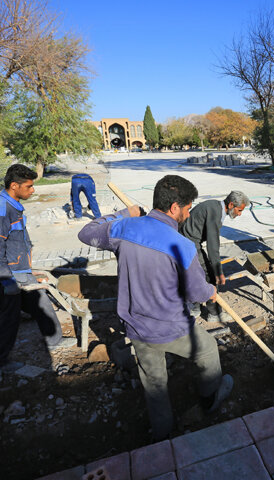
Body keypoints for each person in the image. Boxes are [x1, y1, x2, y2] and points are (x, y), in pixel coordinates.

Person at [78, 175, 233, 441]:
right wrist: (211, 292)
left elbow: (86, 232)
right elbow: (196, 292)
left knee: (154, 382)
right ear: (175, 208)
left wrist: (124, 213)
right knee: (207, 351)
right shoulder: (181, 245)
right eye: (188, 208)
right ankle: (210, 400)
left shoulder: (125, 228)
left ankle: (162, 433)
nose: (188, 213)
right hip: (172, 328)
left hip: (137, 327)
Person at [0, 164, 75, 370]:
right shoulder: (1, 210)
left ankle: (54, 341)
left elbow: (13, 243)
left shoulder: (11, 205)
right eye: (29, 187)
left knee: (42, 303)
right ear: (14, 186)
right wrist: (7, 280)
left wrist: (27, 269)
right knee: (9, 318)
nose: (33, 191)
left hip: (18, 271)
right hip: (6, 275)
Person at [180, 190, 249, 322]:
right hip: (188, 242)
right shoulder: (215, 212)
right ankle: (213, 313)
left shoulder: (216, 207)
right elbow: (213, 246)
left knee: (196, 273)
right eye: (239, 210)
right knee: (210, 275)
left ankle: (195, 306)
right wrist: (218, 272)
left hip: (189, 240)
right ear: (230, 205)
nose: (239, 214)